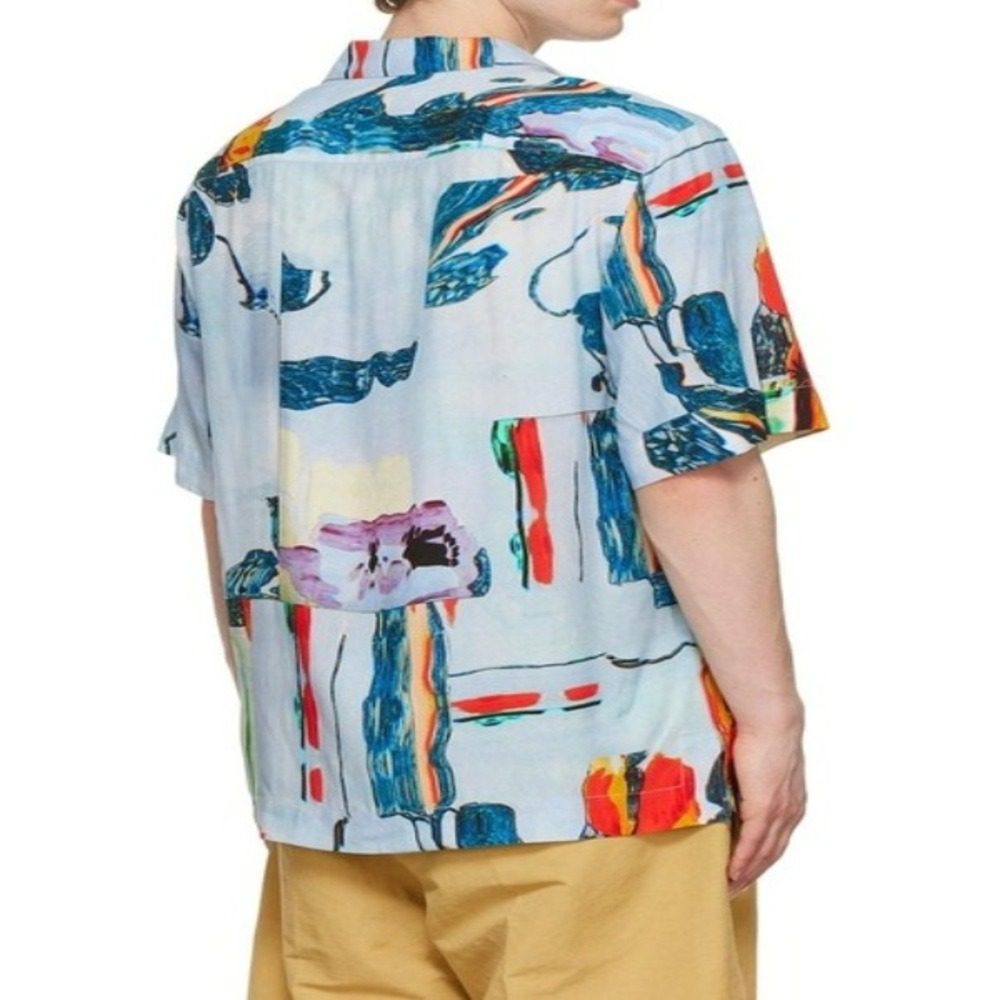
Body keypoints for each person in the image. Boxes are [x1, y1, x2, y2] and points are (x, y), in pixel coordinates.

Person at [156, 0, 831, 995]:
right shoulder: (644, 157)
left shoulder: (240, 173)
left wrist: (297, 749)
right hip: (600, 787)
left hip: (334, 793)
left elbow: (227, 490)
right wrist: (772, 719)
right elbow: (695, 471)